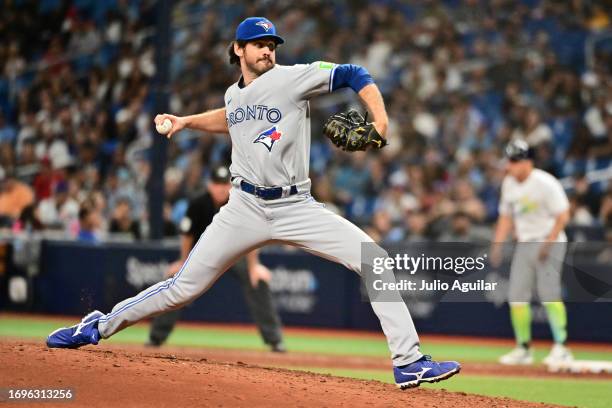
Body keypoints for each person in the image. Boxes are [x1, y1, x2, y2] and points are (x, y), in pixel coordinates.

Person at [46, 16, 460, 389]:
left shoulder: (293, 78)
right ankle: (98, 326)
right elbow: (230, 117)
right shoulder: (233, 96)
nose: (268, 50)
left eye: (272, 44)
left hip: (296, 206)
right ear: (237, 49)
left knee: (374, 259)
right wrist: (187, 121)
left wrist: (380, 122)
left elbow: (354, 73)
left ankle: (408, 362)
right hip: (243, 207)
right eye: (259, 44)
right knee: (183, 289)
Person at [147, 164, 286, 352]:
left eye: (224, 184)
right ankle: (156, 337)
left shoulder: (240, 204)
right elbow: (187, 236)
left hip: (234, 254)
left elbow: (252, 235)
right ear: (209, 185)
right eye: (216, 184)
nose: (221, 188)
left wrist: (254, 266)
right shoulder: (197, 204)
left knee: (257, 280)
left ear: (230, 186)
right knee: (176, 282)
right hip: (202, 256)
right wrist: (182, 262)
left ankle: (275, 340)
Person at [491, 139, 573, 366]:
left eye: (515, 161)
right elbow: (505, 217)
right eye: (509, 161)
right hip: (525, 243)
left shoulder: (545, 183)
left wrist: (548, 242)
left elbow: (563, 215)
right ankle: (523, 348)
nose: (510, 166)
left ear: (528, 161)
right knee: (517, 295)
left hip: (550, 240)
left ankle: (561, 347)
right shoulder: (509, 183)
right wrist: (497, 244)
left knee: (549, 293)